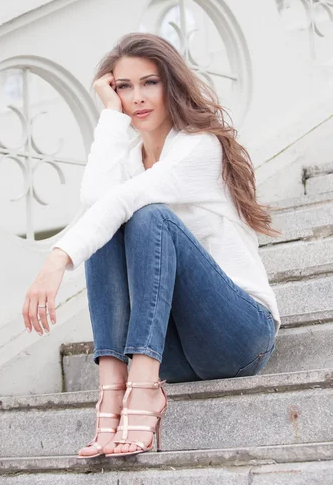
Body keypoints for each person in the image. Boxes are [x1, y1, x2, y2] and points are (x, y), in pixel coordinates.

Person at [22, 32, 282, 459]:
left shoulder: (200, 147)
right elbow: (95, 201)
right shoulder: (127, 160)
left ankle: (141, 391)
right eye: (124, 87)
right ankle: (112, 390)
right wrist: (109, 114)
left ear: (172, 85)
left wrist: (56, 259)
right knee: (111, 217)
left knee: (145, 214)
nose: (137, 98)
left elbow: (122, 201)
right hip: (173, 354)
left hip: (238, 335)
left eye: (150, 83)